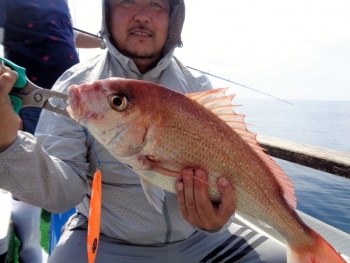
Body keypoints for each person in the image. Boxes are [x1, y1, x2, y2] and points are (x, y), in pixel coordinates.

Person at [0, 0, 287, 262]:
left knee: (283, 257)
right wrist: (7, 143)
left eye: (157, 4)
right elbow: (61, 194)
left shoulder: (197, 86)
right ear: (107, 14)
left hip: (201, 239)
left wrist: (217, 221)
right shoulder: (79, 87)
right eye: (127, 1)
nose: (142, 16)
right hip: (106, 241)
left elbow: (233, 179)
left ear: (174, 19)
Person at [0, 1, 104, 262]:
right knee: (25, 171)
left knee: (65, 170)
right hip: (26, 96)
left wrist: (105, 43)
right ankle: (30, 253)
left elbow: (68, 34)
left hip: (69, 97)